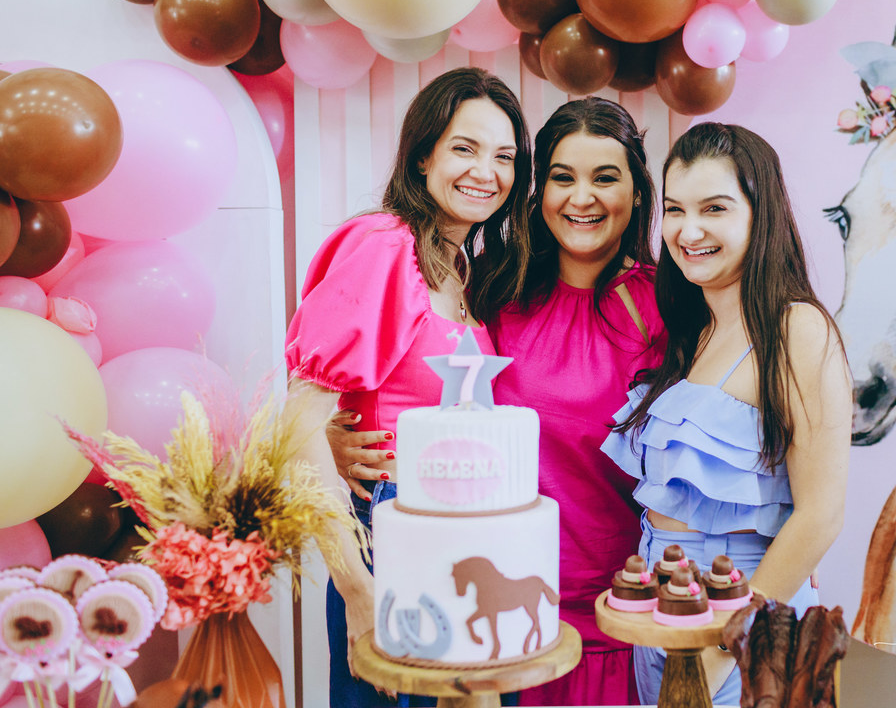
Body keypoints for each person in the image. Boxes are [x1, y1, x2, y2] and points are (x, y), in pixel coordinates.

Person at [330, 97, 664, 705]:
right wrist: (341, 428)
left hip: (615, 613)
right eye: (562, 177)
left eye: (605, 178)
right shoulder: (491, 288)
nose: (581, 197)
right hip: (487, 611)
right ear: (537, 195)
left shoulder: (665, 306)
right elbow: (413, 378)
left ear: (638, 193)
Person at [284, 67, 534, 707]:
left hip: (461, 524)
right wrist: (359, 588)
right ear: (423, 155)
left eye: (504, 156)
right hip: (396, 533)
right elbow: (301, 418)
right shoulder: (382, 244)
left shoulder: (459, 265)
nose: (487, 171)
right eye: (465, 147)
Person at [600, 122, 852, 705]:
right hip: (666, 622)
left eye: (713, 208)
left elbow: (820, 514)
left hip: (745, 633)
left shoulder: (797, 328)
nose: (689, 231)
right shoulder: (697, 333)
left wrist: (721, 650)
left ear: (760, 213)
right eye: (675, 210)